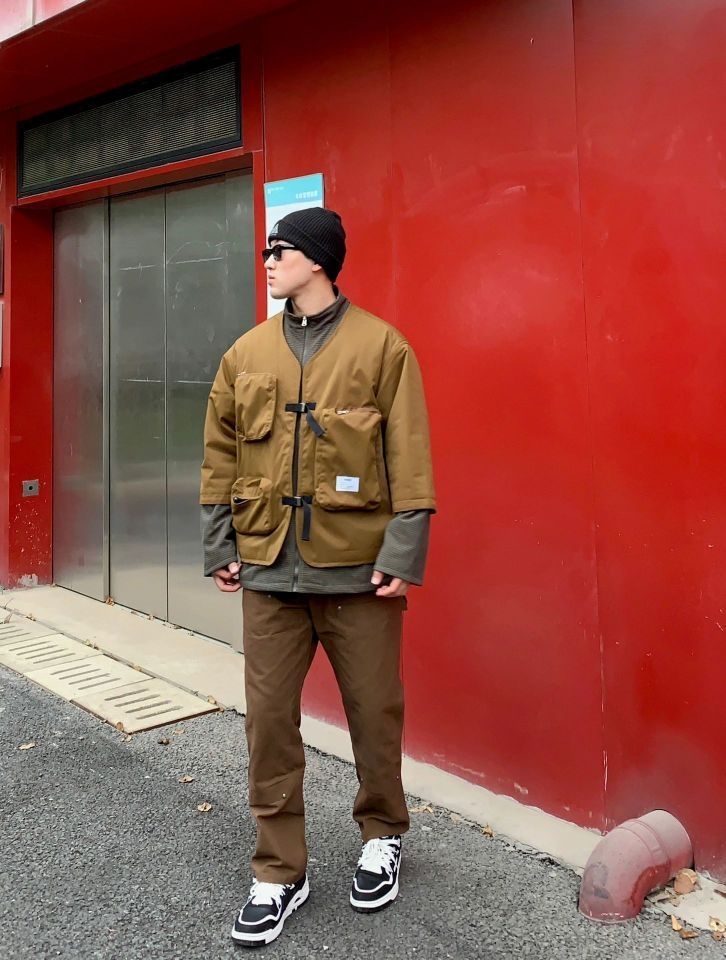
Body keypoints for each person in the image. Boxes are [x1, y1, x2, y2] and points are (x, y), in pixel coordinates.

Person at [199, 207, 436, 947]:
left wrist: (402, 553)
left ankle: (383, 834)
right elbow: (220, 452)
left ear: (319, 261)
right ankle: (280, 870)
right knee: (269, 723)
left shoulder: (383, 347)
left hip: (358, 571)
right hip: (269, 568)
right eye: (268, 251)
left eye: (281, 250)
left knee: (374, 712)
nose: (269, 261)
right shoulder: (245, 353)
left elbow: (410, 455)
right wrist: (220, 541)